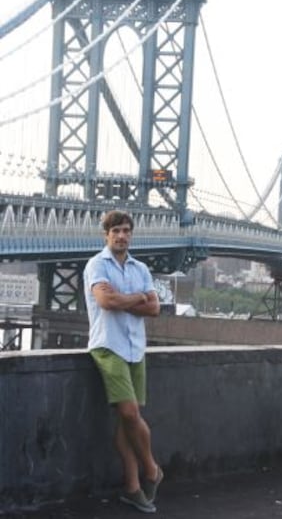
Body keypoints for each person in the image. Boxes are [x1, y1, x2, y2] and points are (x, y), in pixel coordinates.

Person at [83, 210, 163, 514]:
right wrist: (137, 299)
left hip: (135, 348)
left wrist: (124, 300)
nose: (122, 235)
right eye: (116, 230)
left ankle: (132, 488)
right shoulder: (96, 265)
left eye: (127, 230)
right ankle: (153, 469)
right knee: (130, 414)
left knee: (125, 422)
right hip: (107, 347)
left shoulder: (140, 268)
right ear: (106, 234)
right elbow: (105, 302)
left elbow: (154, 309)